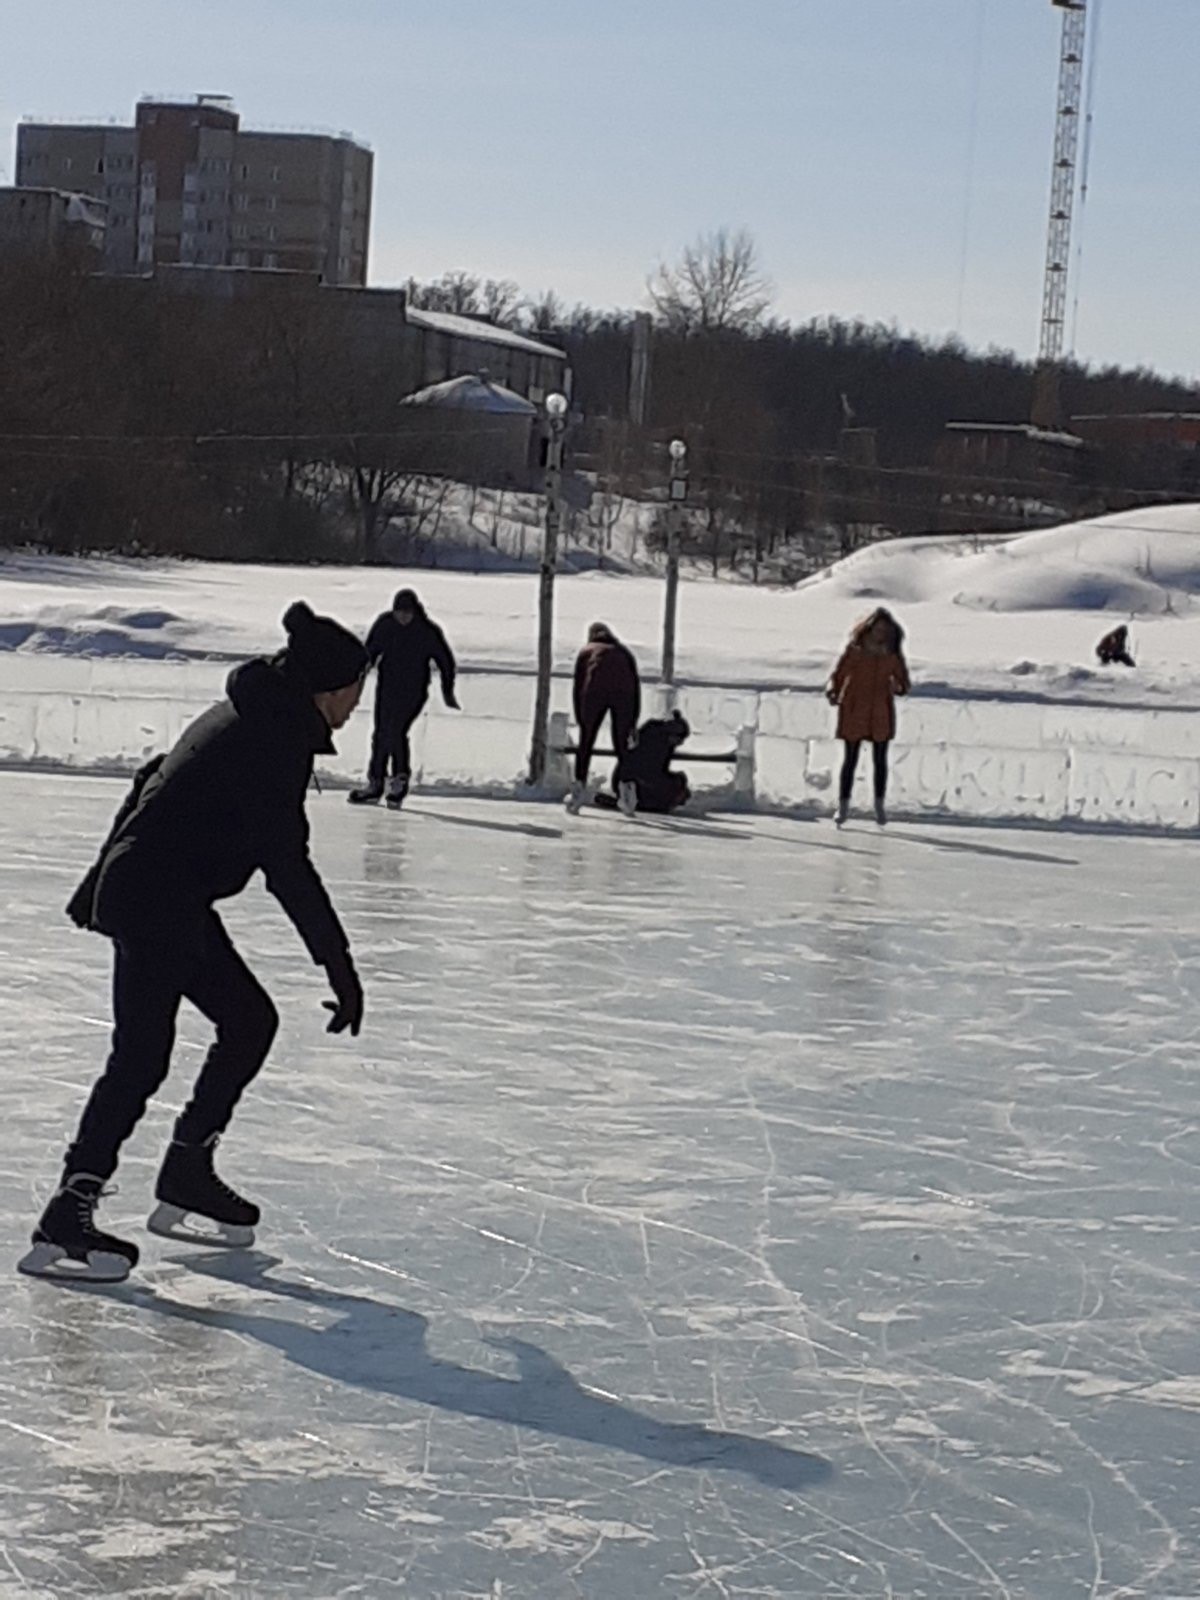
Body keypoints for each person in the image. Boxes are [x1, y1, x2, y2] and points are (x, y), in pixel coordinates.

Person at [19, 602, 369, 1284]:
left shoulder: (259, 712)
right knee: (143, 1057)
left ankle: (185, 1172)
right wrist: (339, 963)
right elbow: (287, 866)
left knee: (245, 1022)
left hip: (160, 895)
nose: (360, 702)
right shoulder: (272, 738)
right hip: (156, 900)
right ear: (327, 690)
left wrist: (103, 882)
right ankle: (66, 1217)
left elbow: (150, 776)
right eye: (357, 688)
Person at [349, 589, 459, 809]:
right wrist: (355, 677)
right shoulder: (385, 625)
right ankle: (375, 783)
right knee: (381, 733)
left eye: (407, 613)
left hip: (414, 691)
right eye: (399, 613)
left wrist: (447, 692)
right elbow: (369, 653)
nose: (403, 618)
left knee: (396, 732)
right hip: (387, 688)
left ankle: (399, 780)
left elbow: (446, 661)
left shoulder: (427, 631)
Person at [826, 607, 910, 827]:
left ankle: (879, 806)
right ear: (868, 629)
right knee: (850, 760)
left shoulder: (892, 655)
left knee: (880, 761)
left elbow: (903, 682)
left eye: (884, 630)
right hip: (855, 709)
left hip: (880, 711)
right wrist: (834, 691)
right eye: (877, 629)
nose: (880, 634)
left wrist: (898, 686)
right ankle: (843, 806)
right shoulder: (855, 651)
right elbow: (839, 674)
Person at [568, 622, 640, 814]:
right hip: (623, 694)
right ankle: (627, 795)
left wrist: (581, 717)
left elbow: (579, 686)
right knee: (622, 744)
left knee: (586, 741)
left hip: (594, 692)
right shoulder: (624, 652)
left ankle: (578, 791)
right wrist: (632, 722)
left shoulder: (587, 651)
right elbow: (635, 688)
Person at [597, 710, 691, 816]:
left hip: (631, 781)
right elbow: (649, 773)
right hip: (634, 782)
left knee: (676, 783)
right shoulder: (655, 745)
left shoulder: (656, 737)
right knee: (675, 785)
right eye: (680, 740)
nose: (680, 744)